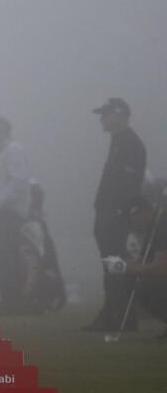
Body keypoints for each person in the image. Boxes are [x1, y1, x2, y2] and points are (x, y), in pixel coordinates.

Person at [82, 98, 146, 332]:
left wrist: (118, 211)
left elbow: (128, 185)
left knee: (114, 266)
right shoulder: (120, 141)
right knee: (113, 266)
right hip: (110, 213)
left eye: (106, 114)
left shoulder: (130, 144)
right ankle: (122, 317)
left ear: (119, 114)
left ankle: (115, 317)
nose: (102, 118)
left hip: (115, 216)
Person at [0, 116, 32, 315]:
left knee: (5, 257)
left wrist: (0, 202)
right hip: (5, 213)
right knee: (3, 257)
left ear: (1, 130)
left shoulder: (13, 151)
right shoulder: (5, 153)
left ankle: (13, 302)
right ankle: (10, 301)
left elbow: (19, 181)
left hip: (10, 214)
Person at [101, 192, 166, 338]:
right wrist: (121, 264)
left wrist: (126, 268)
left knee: (148, 284)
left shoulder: (163, 225)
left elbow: (161, 267)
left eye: (131, 218)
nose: (130, 224)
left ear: (142, 212)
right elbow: (145, 263)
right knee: (131, 280)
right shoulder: (153, 229)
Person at [17, 180, 66, 314]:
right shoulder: (37, 220)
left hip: (36, 240)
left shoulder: (34, 222)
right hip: (37, 236)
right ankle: (42, 298)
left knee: (37, 266)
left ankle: (39, 298)